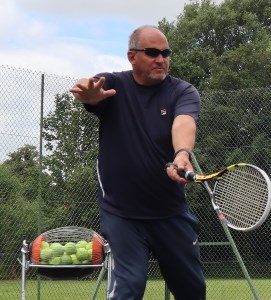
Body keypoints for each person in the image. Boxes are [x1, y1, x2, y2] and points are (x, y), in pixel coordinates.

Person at [69, 25, 206, 300]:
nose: (161, 59)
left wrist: (181, 154)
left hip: (171, 214)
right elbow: (89, 85)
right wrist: (88, 93)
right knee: (129, 288)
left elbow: (184, 123)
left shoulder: (182, 91)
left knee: (193, 291)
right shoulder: (114, 86)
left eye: (165, 53)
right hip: (122, 215)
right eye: (153, 52)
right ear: (132, 57)